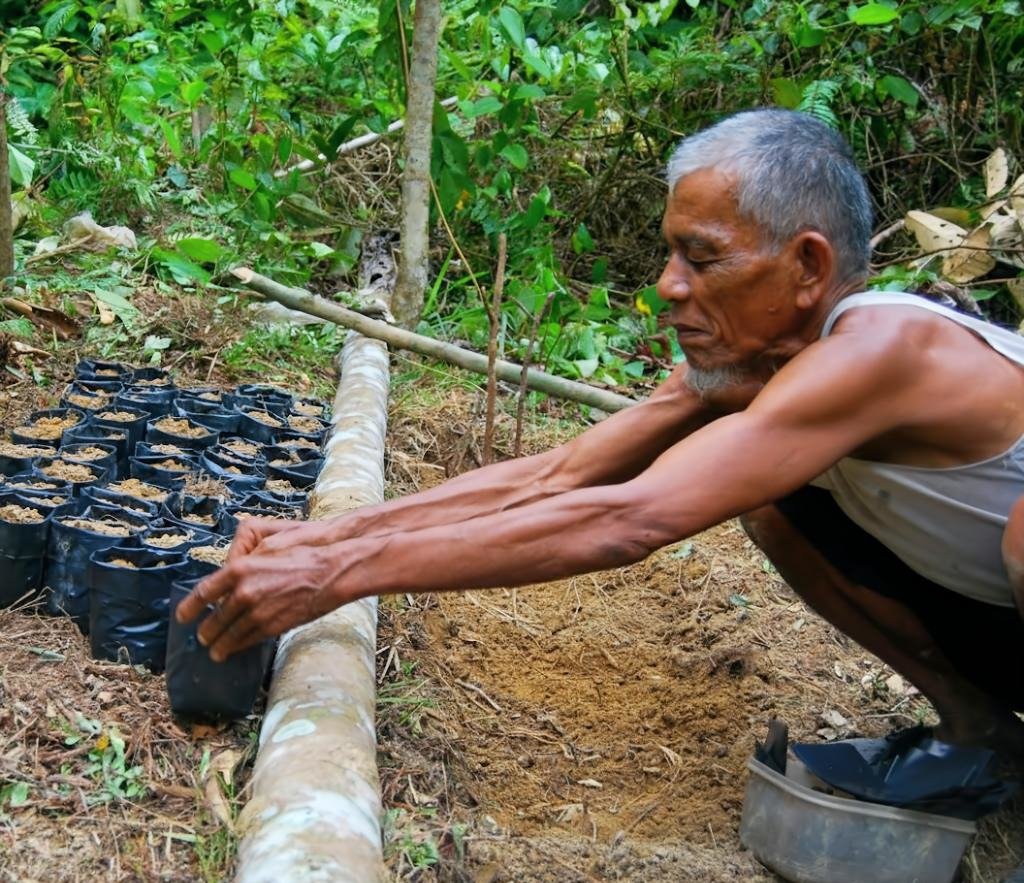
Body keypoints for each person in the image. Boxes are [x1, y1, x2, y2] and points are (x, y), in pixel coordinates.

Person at [178, 109, 1024, 768]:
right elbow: (564, 476)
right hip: (990, 617)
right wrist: (329, 535)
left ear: (806, 267)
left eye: (703, 257)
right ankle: (979, 728)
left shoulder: (882, 349)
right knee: (770, 500)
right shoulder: (759, 362)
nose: (669, 286)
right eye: (671, 254)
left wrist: (337, 574)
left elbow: (632, 519)